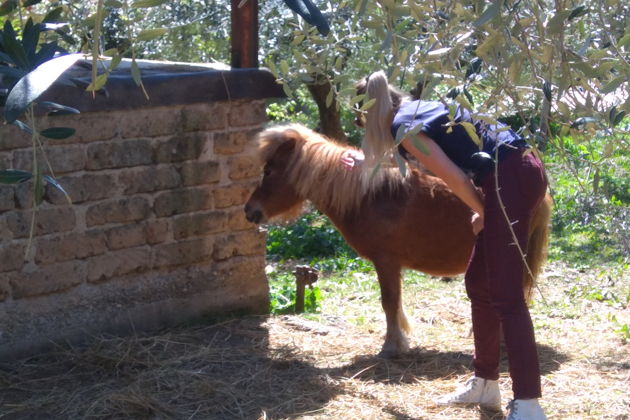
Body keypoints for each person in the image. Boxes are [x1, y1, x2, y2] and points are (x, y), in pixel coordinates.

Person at [342, 71, 548, 420]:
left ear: (371, 115)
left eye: (363, 122)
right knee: (479, 283)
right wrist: (371, 163)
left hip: (509, 178)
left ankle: (528, 404)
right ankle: (485, 384)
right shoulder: (418, 110)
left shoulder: (402, 125)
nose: (365, 130)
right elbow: (425, 156)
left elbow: (451, 176)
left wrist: (483, 210)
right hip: (517, 171)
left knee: (507, 296)